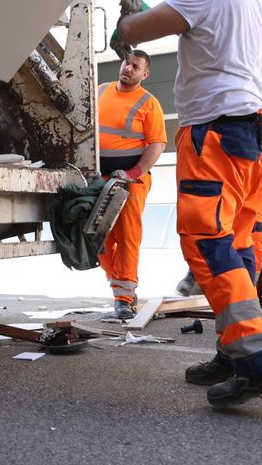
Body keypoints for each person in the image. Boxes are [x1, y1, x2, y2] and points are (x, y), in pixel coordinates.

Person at [115, 0, 262, 409]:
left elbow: (135, 32)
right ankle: (232, 352)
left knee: (206, 243)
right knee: (238, 246)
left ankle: (258, 363)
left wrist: (128, 16)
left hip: (218, 131)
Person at [97, 50, 167, 321]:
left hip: (131, 180)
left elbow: (157, 144)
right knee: (98, 237)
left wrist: (134, 172)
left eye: (135, 66)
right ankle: (121, 288)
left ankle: (123, 299)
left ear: (144, 74)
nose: (128, 68)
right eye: (127, 63)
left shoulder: (149, 103)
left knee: (127, 237)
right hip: (99, 178)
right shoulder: (101, 91)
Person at [172, 149, 262, 296]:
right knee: (214, 239)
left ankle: (254, 294)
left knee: (255, 248)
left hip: (252, 200)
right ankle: (200, 282)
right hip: (227, 195)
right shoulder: (229, 129)